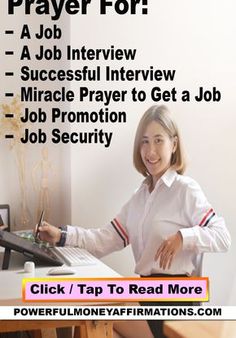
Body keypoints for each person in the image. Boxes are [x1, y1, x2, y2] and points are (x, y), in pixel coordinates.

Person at [38, 105, 231, 338]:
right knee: (95, 322)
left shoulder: (185, 190)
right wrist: (61, 235)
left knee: (96, 311)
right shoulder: (140, 197)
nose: (150, 151)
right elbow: (104, 239)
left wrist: (183, 237)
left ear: (174, 145)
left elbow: (222, 236)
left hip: (176, 301)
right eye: (145, 141)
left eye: (159, 140)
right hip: (146, 296)